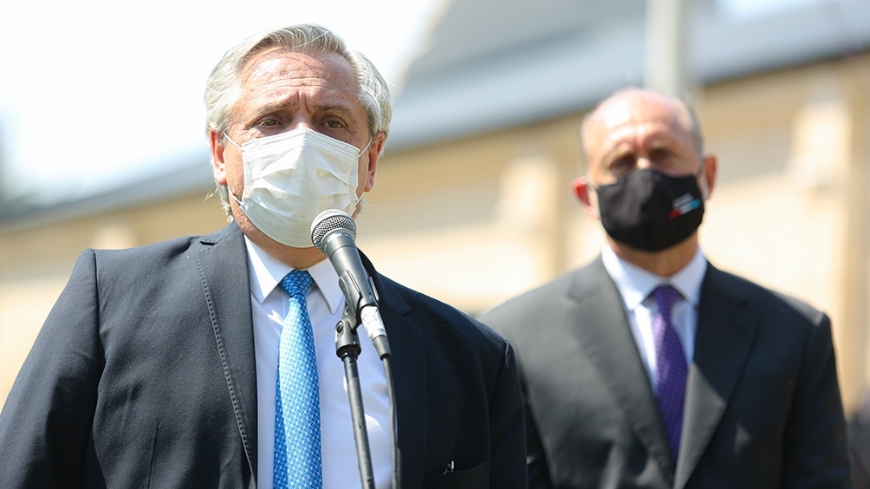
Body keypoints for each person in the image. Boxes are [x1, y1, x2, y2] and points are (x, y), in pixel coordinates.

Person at [0, 24, 527, 488]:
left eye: (332, 121)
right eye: (271, 120)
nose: (302, 141)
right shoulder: (112, 303)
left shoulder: (469, 357)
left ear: (371, 161)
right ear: (220, 155)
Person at [480, 88, 852, 488]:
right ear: (587, 197)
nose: (645, 173)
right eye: (620, 162)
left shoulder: (795, 332)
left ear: (706, 176)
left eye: (663, 154)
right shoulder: (513, 339)